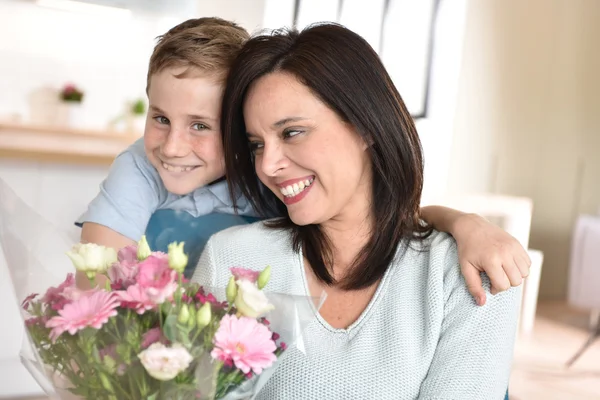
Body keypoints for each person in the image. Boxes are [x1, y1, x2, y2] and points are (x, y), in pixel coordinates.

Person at [76, 18, 530, 305]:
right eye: (159, 118)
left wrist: (465, 223)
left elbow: (389, 221)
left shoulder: (277, 184)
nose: (173, 146)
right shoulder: (141, 168)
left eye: (200, 125)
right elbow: (95, 277)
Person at [192, 23, 520, 399]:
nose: (267, 165)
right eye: (256, 145)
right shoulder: (231, 260)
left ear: (366, 125)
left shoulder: (468, 274)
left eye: (292, 132)